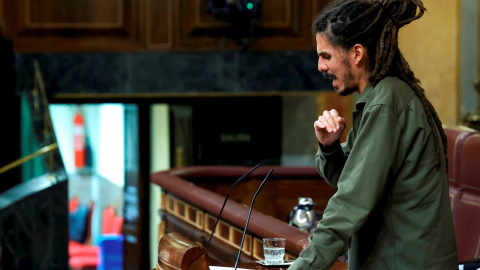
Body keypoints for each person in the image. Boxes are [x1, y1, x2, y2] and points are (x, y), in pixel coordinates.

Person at [287, 0, 458, 269]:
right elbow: (354, 180)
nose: (320, 66)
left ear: (356, 53)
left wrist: (302, 268)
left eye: (326, 56)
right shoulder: (381, 96)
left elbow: (351, 203)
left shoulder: (386, 102)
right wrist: (330, 148)